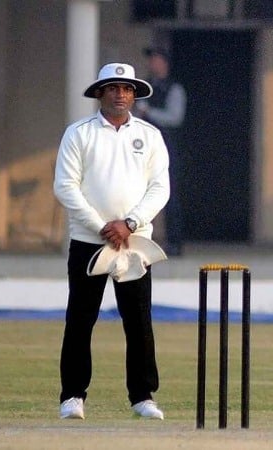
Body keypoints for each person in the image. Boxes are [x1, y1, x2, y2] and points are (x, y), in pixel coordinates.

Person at [53, 62, 170, 420]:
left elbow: (160, 187)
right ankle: (73, 395)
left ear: (134, 94)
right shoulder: (79, 133)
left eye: (128, 88)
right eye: (114, 88)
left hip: (134, 242)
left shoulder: (149, 134)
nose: (121, 94)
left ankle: (142, 396)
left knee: (138, 320)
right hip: (90, 241)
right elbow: (65, 186)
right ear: (100, 93)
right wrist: (103, 226)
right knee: (80, 318)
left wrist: (130, 223)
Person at [134, 47, 186, 256]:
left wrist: (150, 112)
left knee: (169, 195)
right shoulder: (145, 86)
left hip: (167, 147)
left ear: (164, 63)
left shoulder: (175, 89)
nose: (152, 64)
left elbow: (175, 117)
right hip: (143, 148)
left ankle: (174, 243)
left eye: (155, 60)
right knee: (139, 195)